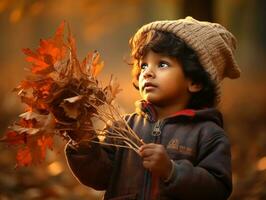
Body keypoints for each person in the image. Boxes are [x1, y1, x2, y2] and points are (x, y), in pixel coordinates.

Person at [65, 16, 241, 200]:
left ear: (195, 81)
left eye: (162, 64)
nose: (147, 72)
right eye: (143, 65)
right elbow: (99, 177)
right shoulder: (124, 128)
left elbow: (217, 189)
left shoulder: (208, 134)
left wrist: (172, 171)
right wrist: (83, 142)